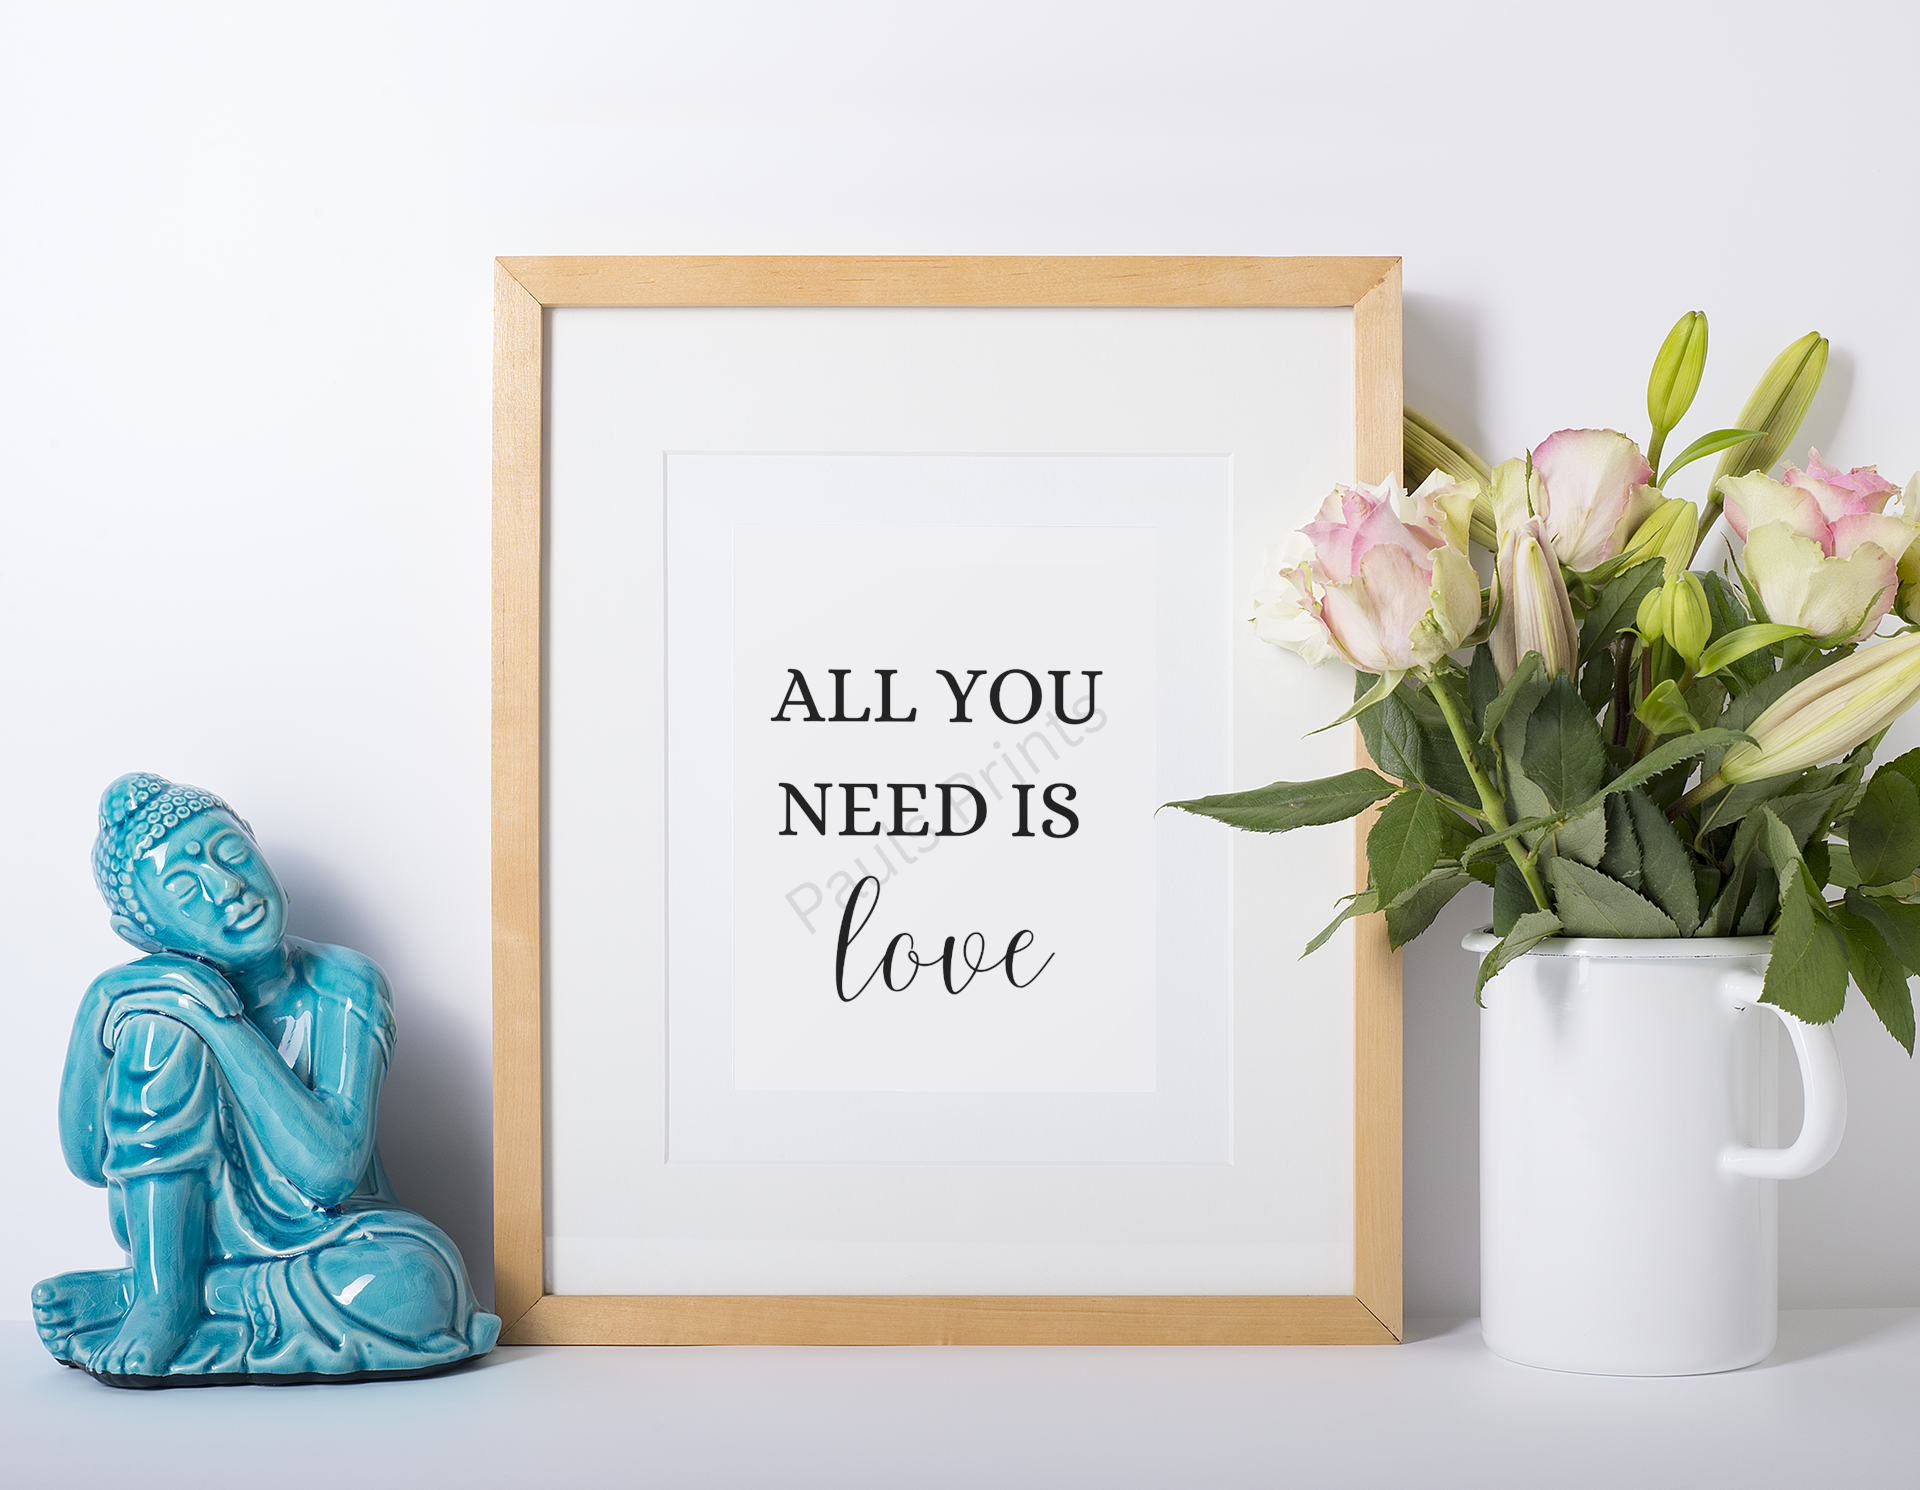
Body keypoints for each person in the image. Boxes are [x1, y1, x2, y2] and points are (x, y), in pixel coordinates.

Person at [32, 773, 499, 1384]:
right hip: (188, 1227)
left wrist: (219, 1021)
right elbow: (90, 1161)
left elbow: (329, 1173)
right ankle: (161, 1298)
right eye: (184, 887)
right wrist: (101, 1005)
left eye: (233, 855)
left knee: (420, 1286)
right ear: (146, 936)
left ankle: (174, 1294)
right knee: (160, 1028)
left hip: (335, 1235)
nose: (227, 888)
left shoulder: (344, 984)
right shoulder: (152, 1013)